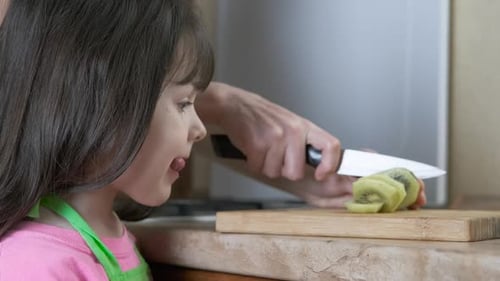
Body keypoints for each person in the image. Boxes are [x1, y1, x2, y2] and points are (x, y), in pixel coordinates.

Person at [0, 0, 426, 280]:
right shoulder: (35, 266)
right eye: (185, 103)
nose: (201, 129)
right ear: (102, 102)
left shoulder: (112, 236)